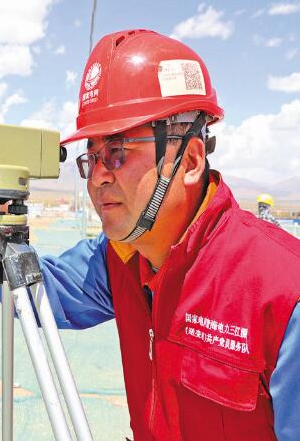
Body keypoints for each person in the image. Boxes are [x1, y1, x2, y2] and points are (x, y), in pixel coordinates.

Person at [35, 30, 300, 440]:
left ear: (190, 160)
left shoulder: (283, 291)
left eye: (118, 151)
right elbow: (32, 289)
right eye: (93, 156)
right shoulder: (119, 258)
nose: (98, 176)